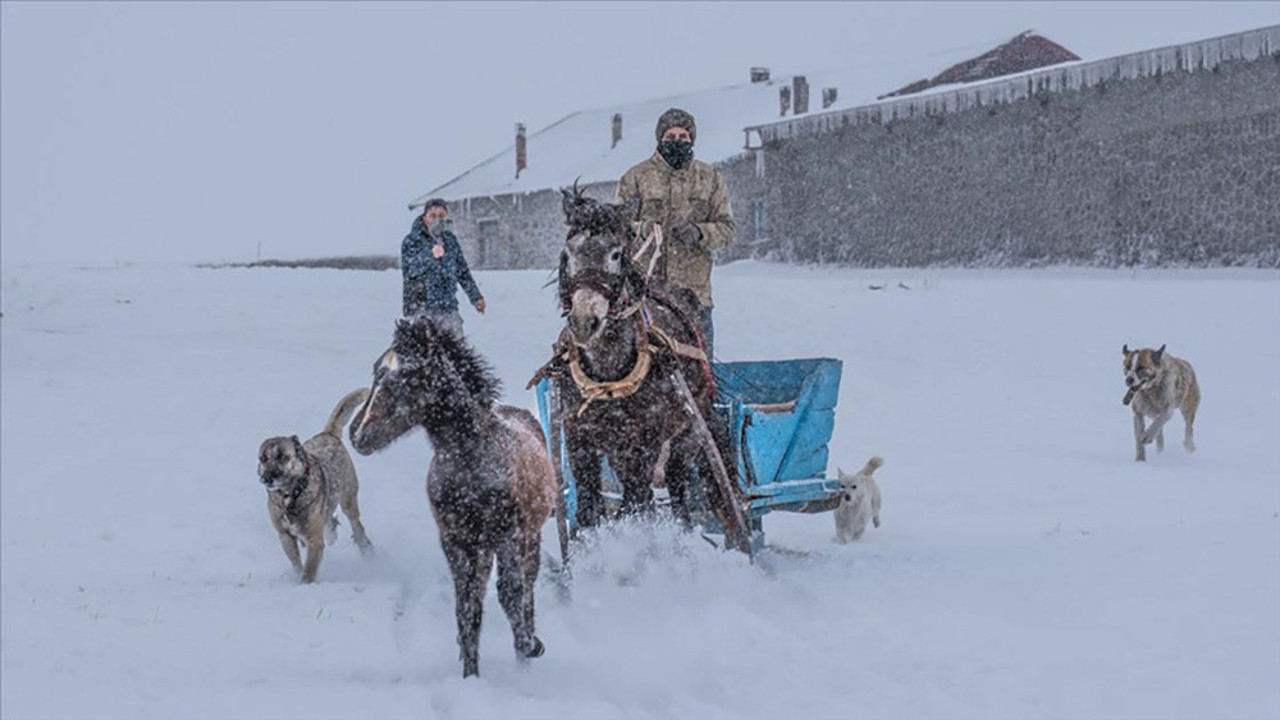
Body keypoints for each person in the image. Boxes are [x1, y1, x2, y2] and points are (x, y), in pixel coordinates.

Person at [615, 107, 734, 356]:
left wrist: (699, 232)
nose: (677, 142)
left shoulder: (710, 178)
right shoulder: (636, 177)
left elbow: (727, 228)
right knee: (643, 363)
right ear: (660, 138)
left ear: (692, 139)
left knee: (699, 366)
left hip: (694, 295)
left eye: (683, 137)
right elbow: (618, 226)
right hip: (645, 293)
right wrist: (643, 229)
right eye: (670, 136)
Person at [401, 198, 485, 336]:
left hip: (448, 308)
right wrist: (430, 255)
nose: (437, 220)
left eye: (441, 216)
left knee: (455, 350)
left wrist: (476, 297)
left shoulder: (450, 241)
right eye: (433, 215)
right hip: (421, 309)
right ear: (425, 217)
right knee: (425, 354)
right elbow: (410, 270)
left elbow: (462, 271)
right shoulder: (412, 241)